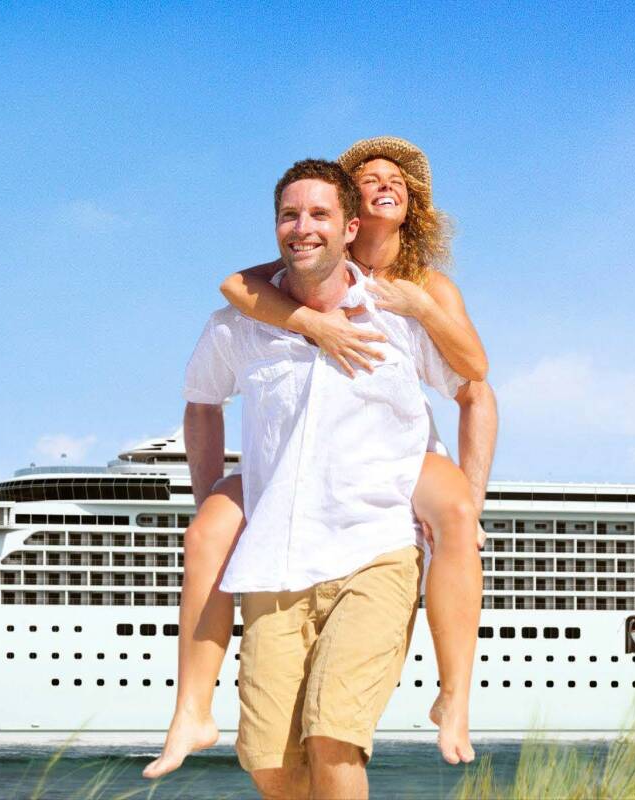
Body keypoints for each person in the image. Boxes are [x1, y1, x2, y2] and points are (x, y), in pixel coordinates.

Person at [145, 139, 497, 780]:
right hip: (283, 531)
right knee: (269, 761)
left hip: (385, 501)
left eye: (321, 214)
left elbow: (475, 380)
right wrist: (313, 324)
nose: (304, 227)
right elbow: (233, 296)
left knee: (336, 737)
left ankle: (455, 695)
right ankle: (192, 708)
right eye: (290, 214)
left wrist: (473, 498)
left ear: (351, 224)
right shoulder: (245, 314)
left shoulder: (408, 299)